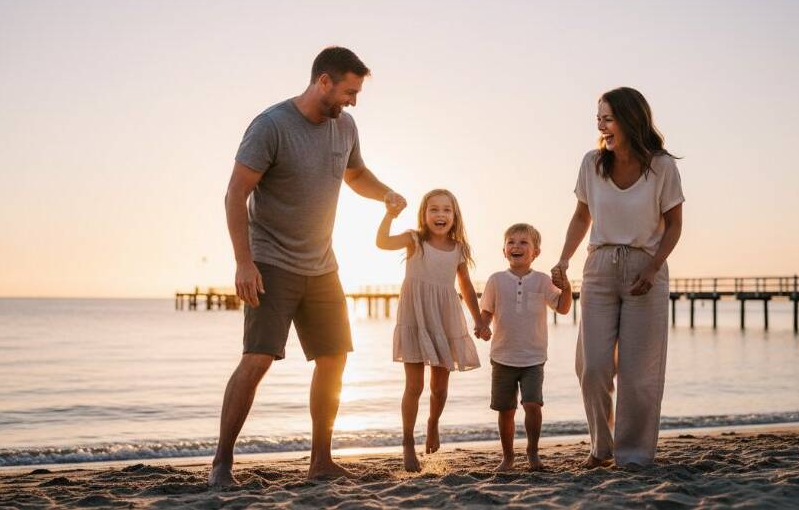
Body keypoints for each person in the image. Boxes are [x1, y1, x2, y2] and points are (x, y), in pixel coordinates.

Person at [209, 47, 407, 486]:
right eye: (349, 91)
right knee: (258, 359)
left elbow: (355, 175)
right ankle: (222, 462)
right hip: (271, 261)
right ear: (324, 82)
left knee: (334, 358)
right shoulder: (271, 126)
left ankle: (321, 460)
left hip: (323, 265)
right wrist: (244, 262)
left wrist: (386, 193)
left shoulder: (346, 126)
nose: (352, 101)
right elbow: (235, 194)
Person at [551, 87, 684, 468]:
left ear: (629, 118)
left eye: (607, 118)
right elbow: (581, 216)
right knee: (592, 366)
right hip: (599, 268)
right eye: (598, 119)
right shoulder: (592, 163)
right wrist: (563, 259)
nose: (601, 125)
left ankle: (634, 456)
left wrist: (655, 265)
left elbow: (675, 225)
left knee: (639, 373)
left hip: (646, 269)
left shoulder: (662, 166)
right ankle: (601, 445)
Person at [376, 188, 487, 472]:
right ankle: (407, 444)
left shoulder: (458, 249)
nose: (440, 215)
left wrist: (479, 319)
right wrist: (389, 214)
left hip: (445, 318)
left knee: (439, 388)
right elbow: (382, 242)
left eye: (446, 210)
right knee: (414, 386)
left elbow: (466, 287)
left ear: (455, 215)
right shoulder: (415, 240)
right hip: (415, 316)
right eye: (434, 209)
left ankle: (433, 423)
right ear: (424, 215)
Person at [479, 223, 572, 471]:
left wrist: (567, 286)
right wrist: (483, 326)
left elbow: (563, 308)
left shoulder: (542, 281)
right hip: (502, 356)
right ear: (504, 250)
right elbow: (486, 310)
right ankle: (508, 457)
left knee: (533, 404)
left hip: (533, 357)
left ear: (536, 252)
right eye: (511, 242)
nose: (516, 246)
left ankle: (532, 453)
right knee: (505, 410)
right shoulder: (496, 280)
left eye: (523, 242)